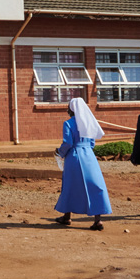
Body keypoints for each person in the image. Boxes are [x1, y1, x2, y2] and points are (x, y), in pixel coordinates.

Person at [53, 97, 112, 230]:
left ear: (72, 109)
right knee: (95, 185)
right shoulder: (89, 122)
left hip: (74, 156)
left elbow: (68, 143)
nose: (67, 110)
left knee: (70, 185)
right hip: (89, 156)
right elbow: (92, 142)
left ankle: (67, 216)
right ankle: (98, 220)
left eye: (68, 107)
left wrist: (59, 152)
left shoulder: (68, 123)